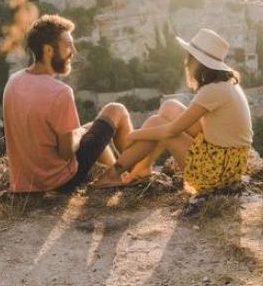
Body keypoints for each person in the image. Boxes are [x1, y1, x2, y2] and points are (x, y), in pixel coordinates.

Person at [94, 28, 253, 199]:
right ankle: (142, 169)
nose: (186, 61)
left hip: (218, 171)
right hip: (229, 161)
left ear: (197, 62)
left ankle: (112, 174)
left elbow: (171, 131)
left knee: (159, 125)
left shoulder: (214, 90)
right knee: (170, 107)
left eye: (189, 57)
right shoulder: (225, 83)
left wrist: (135, 134)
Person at [2, 14, 134, 193]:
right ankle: (136, 174)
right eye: (68, 46)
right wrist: (79, 132)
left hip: (25, 184)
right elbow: (67, 152)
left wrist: (80, 131)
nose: (74, 51)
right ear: (48, 50)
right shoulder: (60, 92)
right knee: (116, 110)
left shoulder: (13, 82)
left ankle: (115, 176)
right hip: (59, 182)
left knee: (88, 129)